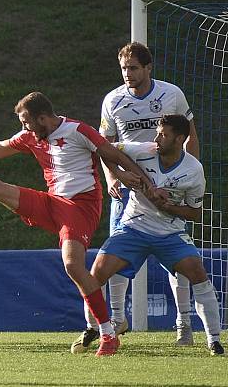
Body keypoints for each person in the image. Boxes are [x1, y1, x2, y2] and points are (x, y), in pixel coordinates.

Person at [0, 91, 156, 356]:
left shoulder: (78, 130)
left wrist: (136, 178)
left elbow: (111, 153)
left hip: (81, 207)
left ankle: (108, 334)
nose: (25, 129)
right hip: (52, 202)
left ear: (43, 118)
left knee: (72, 265)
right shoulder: (32, 135)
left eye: (27, 122)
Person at [79, 42, 202, 351]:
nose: (128, 74)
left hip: (167, 188)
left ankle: (184, 325)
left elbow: (190, 138)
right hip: (128, 189)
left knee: (179, 261)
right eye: (124, 68)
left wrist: (190, 176)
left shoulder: (171, 95)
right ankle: (117, 319)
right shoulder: (113, 101)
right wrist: (113, 177)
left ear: (149, 68)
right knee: (115, 255)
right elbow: (104, 145)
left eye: (133, 68)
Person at [92, 114, 222, 355]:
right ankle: (94, 330)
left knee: (197, 271)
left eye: (163, 134)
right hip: (133, 227)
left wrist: (167, 206)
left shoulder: (194, 170)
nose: (156, 138)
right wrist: (118, 175)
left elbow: (194, 214)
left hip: (170, 233)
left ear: (180, 139)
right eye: (157, 133)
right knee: (97, 271)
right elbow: (104, 149)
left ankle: (213, 339)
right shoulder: (143, 149)